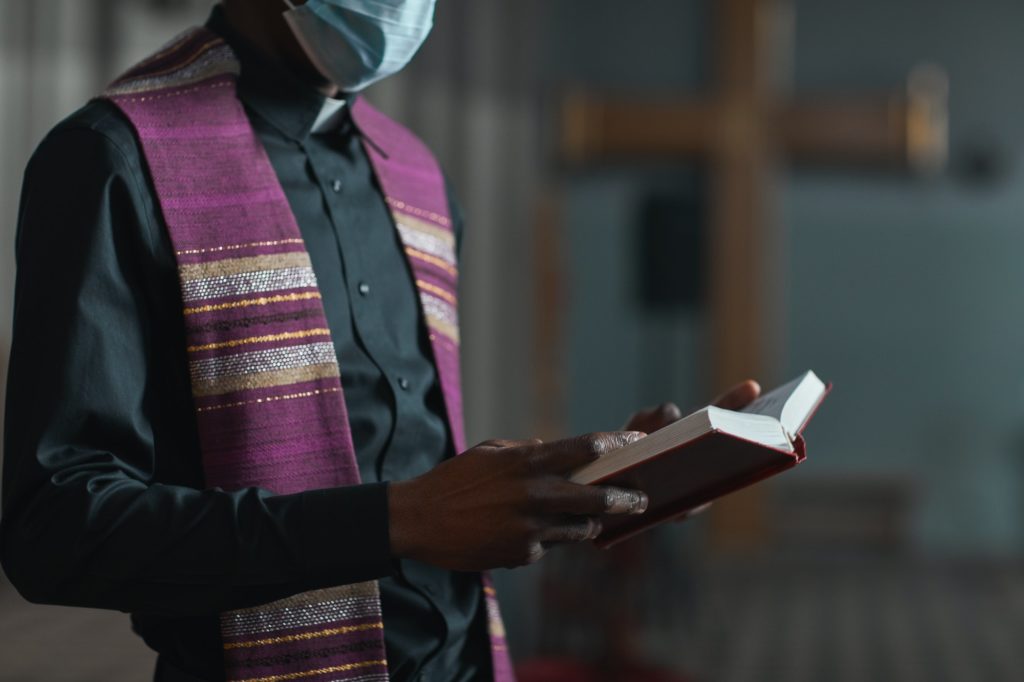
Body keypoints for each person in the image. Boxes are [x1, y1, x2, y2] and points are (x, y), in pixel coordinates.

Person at [0, 2, 760, 681]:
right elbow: (56, 530)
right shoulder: (114, 158)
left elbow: (426, 484)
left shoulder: (416, 174)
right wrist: (393, 523)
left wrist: (596, 481)